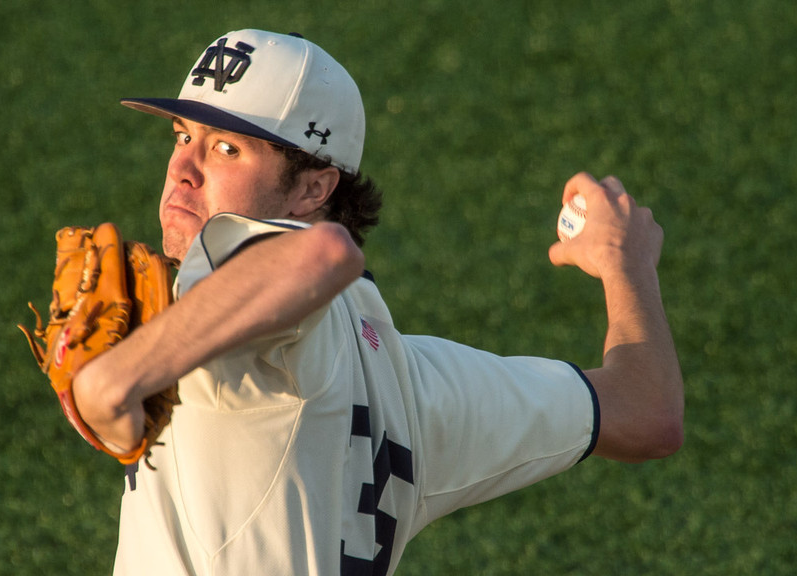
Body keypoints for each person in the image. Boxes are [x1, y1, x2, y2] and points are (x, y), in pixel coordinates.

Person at [72, 29, 683, 575]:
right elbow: (646, 412)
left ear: (313, 188)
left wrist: (112, 379)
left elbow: (323, 254)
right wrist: (626, 266)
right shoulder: (416, 386)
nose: (183, 167)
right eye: (183, 136)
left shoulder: (225, 269)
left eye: (227, 149)